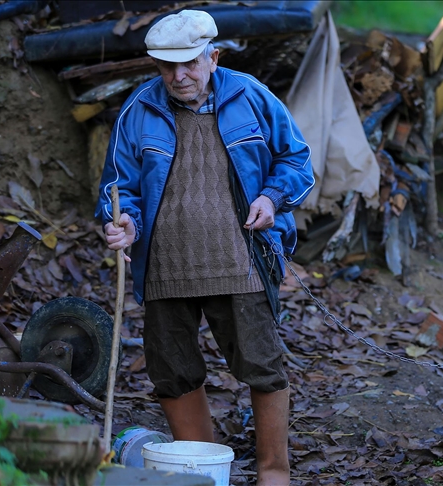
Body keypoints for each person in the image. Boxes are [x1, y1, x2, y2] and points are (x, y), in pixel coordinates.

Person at [95, 9, 314, 485]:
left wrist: (271, 198)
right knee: (171, 371)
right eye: (167, 66)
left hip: (240, 261)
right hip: (164, 267)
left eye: (189, 63)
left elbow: (296, 160)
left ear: (213, 57)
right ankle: (200, 470)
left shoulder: (251, 96)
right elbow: (118, 187)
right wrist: (123, 223)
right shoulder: (139, 110)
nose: (178, 76)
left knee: (261, 364)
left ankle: (274, 472)